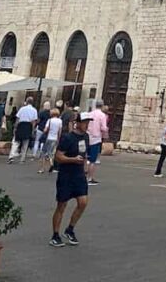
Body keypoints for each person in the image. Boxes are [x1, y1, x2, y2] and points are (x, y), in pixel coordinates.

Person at [50, 112, 92, 247]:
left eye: (88, 123)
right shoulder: (67, 138)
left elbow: (84, 154)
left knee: (83, 202)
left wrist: (85, 167)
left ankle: (70, 229)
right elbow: (58, 156)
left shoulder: (86, 137)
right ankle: (55, 235)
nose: (87, 125)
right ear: (78, 123)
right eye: (85, 122)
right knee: (62, 205)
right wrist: (72, 159)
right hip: (66, 174)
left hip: (79, 175)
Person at [86, 101, 109, 185]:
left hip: (88, 137)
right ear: (102, 106)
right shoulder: (102, 115)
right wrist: (106, 130)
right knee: (93, 160)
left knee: (86, 158)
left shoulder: (89, 114)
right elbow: (103, 128)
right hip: (96, 139)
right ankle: (90, 178)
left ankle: (83, 176)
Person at [9, 96, 38, 162]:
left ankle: (11, 156)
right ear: (32, 102)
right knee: (26, 143)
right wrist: (33, 130)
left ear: (27, 102)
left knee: (16, 141)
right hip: (28, 126)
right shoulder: (34, 110)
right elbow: (34, 121)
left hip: (21, 125)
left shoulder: (22, 109)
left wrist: (15, 127)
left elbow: (18, 118)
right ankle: (22, 158)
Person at [39, 109, 62, 174]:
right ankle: (51, 163)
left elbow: (45, 130)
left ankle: (42, 168)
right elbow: (59, 131)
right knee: (51, 152)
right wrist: (58, 139)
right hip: (55, 139)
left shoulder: (50, 120)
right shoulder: (60, 121)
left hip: (48, 138)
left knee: (43, 152)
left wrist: (44, 130)